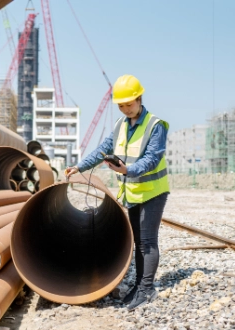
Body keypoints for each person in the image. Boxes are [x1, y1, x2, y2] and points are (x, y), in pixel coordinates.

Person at [65, 74, 170, 311]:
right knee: (138, 242)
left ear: (139, 98)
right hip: (132, 192)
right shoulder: (120, 126)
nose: (125, 109)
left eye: (128, 104)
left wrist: (127, 169)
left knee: (148, 242)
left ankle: (146, 289)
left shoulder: (156, 125)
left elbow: (152, 160)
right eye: (121, 105)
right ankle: (139, 286)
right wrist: (79, 166)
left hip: (153, 192)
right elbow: (103, 150)